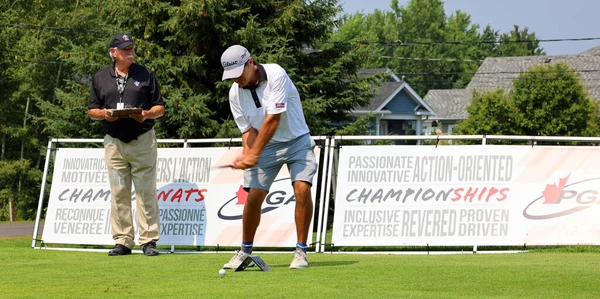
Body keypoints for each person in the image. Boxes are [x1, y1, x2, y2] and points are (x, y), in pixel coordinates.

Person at [220, 45, 318, 269]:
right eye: (232, 77)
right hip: (266, 147)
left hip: (297, 141)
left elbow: (273, 119)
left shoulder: (276, 74)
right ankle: (244, 251)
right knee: (253, 195)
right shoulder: (235, 92)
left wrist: (253, 153)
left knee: (302, 187)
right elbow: (248, 130)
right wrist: (248, 154)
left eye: (239, 74)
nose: (236, 80)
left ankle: (301, 251)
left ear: (251, 63)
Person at [88, 33, 165, 256]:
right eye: (125, 49)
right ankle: (123, 241)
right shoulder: (100, 77)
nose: (130, 52)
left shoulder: (146, 73)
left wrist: (148, 114)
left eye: (132, 48)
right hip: (114, 142)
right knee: (119, 192)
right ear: (113, 52)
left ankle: (149, 241)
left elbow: (160, 108)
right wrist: (104, 114)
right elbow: (92, 111)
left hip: (142, 139)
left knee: (146, 191)